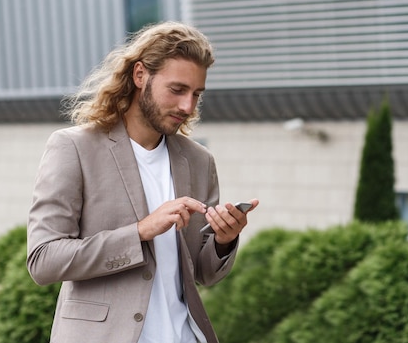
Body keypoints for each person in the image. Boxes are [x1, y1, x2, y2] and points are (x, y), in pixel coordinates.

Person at [26, 21, 258, 343]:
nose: (187, 107)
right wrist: (140, 231)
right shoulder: (75, 148)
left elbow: (204, 273)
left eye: (196, 94)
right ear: (140, 76)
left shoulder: (199, 160)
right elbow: (43, 260)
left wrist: (224, 240)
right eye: (177, 90)